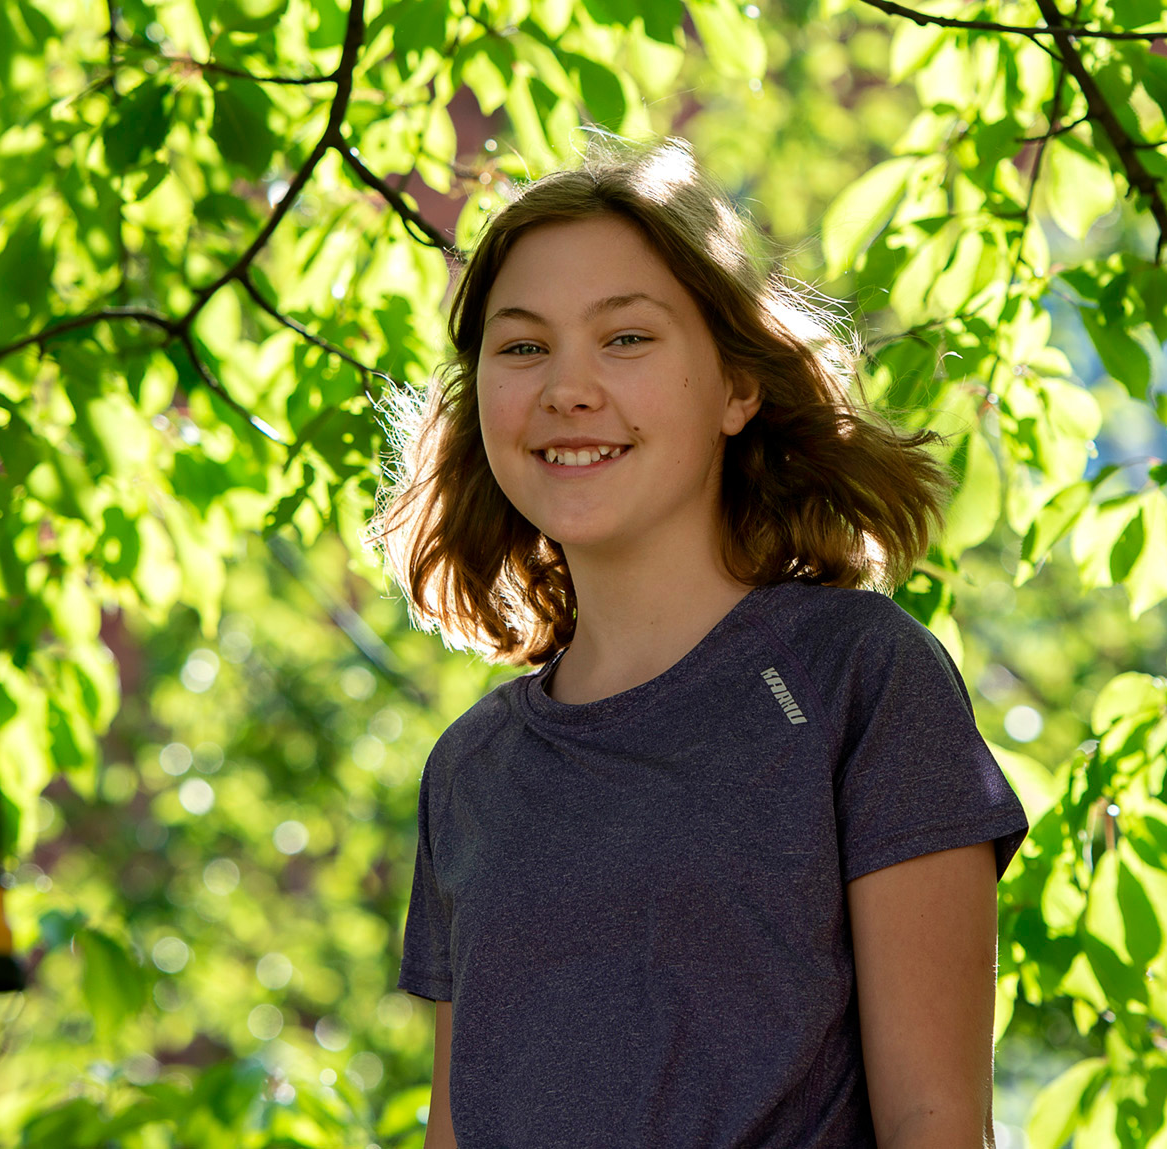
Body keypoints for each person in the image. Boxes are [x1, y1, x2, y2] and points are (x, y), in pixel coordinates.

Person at [370, 137, 1030, 1149]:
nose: (567, 388)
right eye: (522, 346)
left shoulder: (857, 678)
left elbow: (938, 1125)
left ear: (735, 388)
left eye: (625, 339)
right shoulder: (469, 772)